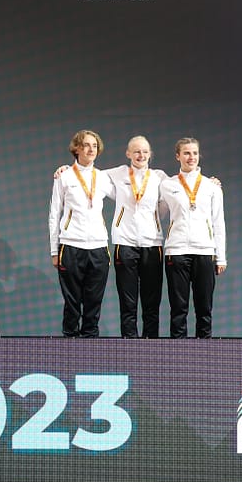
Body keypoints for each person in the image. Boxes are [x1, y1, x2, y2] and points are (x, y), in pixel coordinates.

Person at [48, 130, 115, 338]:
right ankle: (70, 338)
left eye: (94, 145)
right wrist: (54, 250)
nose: (91, 149)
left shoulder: (103, 177)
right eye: (86, 145)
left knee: (94, 301)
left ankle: (90, 341)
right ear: (76, 148)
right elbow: (54, 214)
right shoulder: (64, 176)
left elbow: (128, 192)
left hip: (98, 246)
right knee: (72, 301)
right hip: (71, 245)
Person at [157, 137, 226, 338]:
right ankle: (178, 350)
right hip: (176, 250)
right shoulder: (167, 185)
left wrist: (220, 257)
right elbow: (158, 214)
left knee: (204, 307)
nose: (191, 157)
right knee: (178, 308)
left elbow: (218, 222)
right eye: (186, 153)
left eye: (195, 153)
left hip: (204, 250)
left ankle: (204, 350)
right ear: (177, 156)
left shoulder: (211, 186)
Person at [106, 136, 168, 338]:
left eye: (145, 151)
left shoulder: (159, 177)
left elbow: (180, 189)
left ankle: (151, 344)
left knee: (152, 301)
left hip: (152, 243)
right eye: (136, 151)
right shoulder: (118, 173)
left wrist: (211, 182)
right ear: (128, 154)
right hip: (124, 242)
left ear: (150, 154)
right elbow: (90, 176)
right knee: (128, 301)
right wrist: (66, 169)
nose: (141, 155)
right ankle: (129, 343)